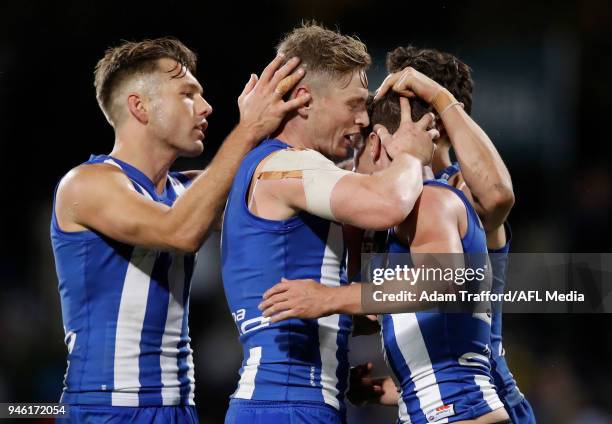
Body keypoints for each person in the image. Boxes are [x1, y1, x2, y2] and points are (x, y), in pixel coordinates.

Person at [51, 36, 309, 423]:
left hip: (181, 407)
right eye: (188, 94)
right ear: (139, 107)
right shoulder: (86, 184)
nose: (206, 107)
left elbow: (300, 199)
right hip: (106, 409)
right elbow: (179, 231)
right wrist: (248, 130)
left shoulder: (190, 189)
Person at [221, 23, 436, 424]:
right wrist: (411, 156)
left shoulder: (282, 170)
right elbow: (387, 204)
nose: (362, 120)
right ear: (304, 101)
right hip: (285, 405)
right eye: (354, 104)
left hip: (293, 401)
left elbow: (327, 306)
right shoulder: (287, 164)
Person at [387, 46, 535, 424]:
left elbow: (499, 195)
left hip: (484, 396)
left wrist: (438, 95)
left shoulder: (459, 190)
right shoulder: (400, 191)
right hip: (444, 400)